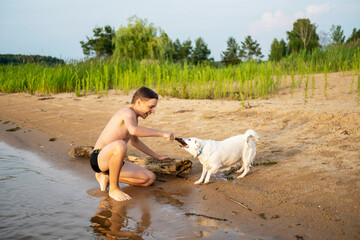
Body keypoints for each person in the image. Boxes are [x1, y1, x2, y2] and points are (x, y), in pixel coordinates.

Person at [90, 87, 175, 201]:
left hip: (114, 163)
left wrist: (157, 156)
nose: (153, 111)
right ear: (139, 102)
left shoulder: (134, 118)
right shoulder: (127, 112)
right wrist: (162, 133)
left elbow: (135, 142)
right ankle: (114, 189)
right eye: (151, 107)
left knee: (149, 178)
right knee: (120, 144)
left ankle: (106, 177)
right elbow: (134, 130)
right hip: (99, 158)